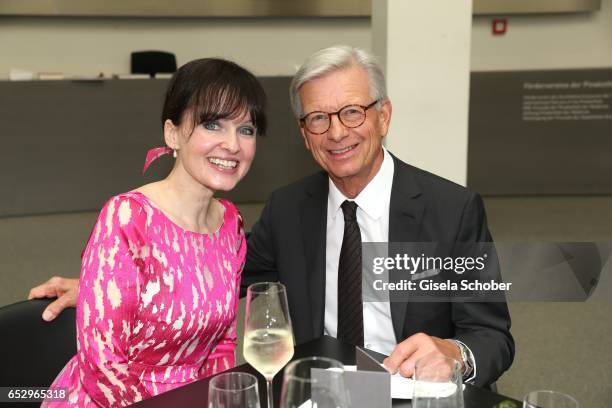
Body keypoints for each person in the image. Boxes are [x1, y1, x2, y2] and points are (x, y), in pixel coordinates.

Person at [31, 45, 513, 388]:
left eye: (351, 112)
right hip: (313, 393)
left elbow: (492, 336)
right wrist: (107, 285)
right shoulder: (288, 210)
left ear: (383, 116)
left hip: (410, 395)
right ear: (304, 135)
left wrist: (457, 355)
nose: (336, 133)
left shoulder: (450, 211)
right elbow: (223, 279)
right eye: (317, 119)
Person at [38, 58, 267, 407]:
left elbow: (222, 343)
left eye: (246, 129)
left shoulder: (230, 225)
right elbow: (104, 368)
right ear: (172, 133)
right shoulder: (129, 218)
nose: (233, 145)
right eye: (213, 125)